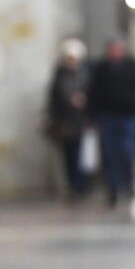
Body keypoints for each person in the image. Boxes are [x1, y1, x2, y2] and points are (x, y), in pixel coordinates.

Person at [88, 39, 135, 207]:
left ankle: (128, 183)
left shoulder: (133, 67)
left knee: (127, 151)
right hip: (108, 117)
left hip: (128, 116)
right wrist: (93, 115)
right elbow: (94, 92)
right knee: (109, 153)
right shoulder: (102, 69)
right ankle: (112, 187)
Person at [44, 37, 89, 199]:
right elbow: (53, 98)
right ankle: (72, 185)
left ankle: (81, 185)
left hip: (81, 121)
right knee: (68, 155)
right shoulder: (59, 75)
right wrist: (48, 116)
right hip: (64, 121)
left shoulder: (85, 75)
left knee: (82, 155)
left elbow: (94, 94)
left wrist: (85, 101)